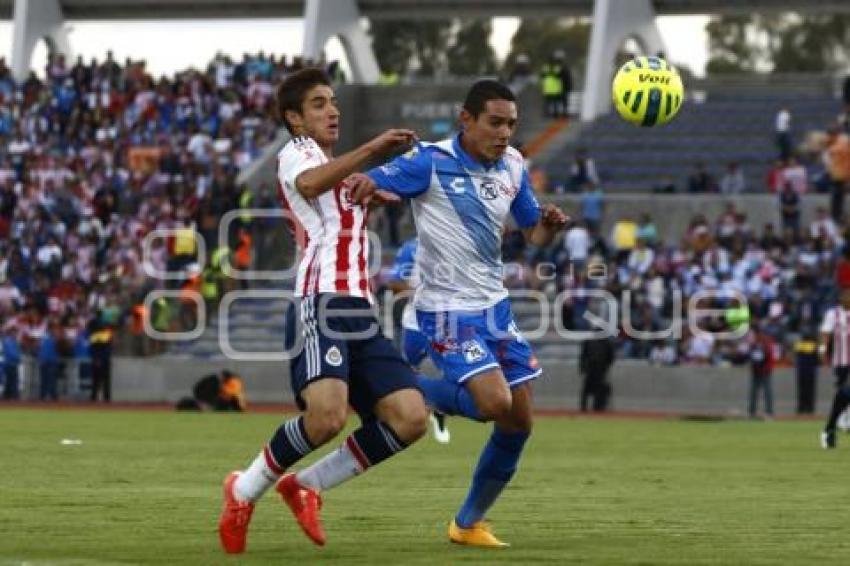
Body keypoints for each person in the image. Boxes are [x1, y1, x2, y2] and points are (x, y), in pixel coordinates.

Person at [217, 68, 430, 553]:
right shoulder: (298, 153)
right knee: (327, 416)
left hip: (360, 307)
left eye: (332, 101)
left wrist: (377, 190)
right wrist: (374, 151)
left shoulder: (339, 169)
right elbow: (310, 185)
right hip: (321, 301)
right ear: (294, 118)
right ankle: (244, 489)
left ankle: (306, 485)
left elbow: (336, 198)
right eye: (318, 104)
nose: (331, 110)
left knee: (410, 417)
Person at [365, 79, 568, 547]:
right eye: (495, 123)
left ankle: (467, 523)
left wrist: (548, 228)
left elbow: (531, 233)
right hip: (446, 310)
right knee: (492, 403)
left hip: (494, 307)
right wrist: (368, 186)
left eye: (512, 125)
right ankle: (403, 390)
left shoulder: (514, 165)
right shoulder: (430, 162)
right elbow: (371, 182)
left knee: (518, 421)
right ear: (466, 120)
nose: (505, 133)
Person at [386, 237, 450, 443]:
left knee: (454, 370)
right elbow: (395, 283)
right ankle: (414, 411)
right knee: (406, 372)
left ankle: (440, 408)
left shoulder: (456, 240)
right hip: (416, 322)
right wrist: (422, 295)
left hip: (451, 322)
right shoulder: (412, 248)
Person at [819, 289, 850, 448]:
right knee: (843, 392)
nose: (846, 297)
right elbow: (825, 333)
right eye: (845, 294)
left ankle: (837, 423)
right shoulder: (833, 314)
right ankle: (835, 424)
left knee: (845, 392)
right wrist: (822, 350)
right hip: (841, 359)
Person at [578, 336, 615, 411]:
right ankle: (595, 407)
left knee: (587, 390)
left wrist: (582, 368)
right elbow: (611, 358)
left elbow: (583, 356)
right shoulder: (606, 342)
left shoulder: (590, 341)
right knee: (595, 390)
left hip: (592, 369)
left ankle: (585, 407)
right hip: (598, 370)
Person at [748, 322, 775, 419]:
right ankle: (752, 411)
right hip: (756, 370)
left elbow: (768, 355)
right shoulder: (754, 342)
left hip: (765, 370)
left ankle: (769, 412)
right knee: (754, 392)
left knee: (767, 391)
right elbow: (751, 355)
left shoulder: (766, 342)